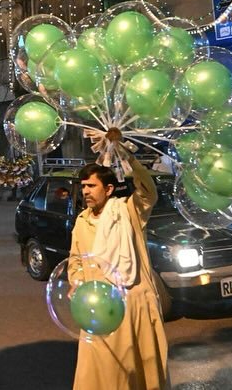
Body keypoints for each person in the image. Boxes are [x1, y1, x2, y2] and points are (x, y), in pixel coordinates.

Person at [69, 161, 168, 390]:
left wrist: (128, 159)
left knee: (138, 369)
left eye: (92, 186)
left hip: (132, 303)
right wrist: (76, 281)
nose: (86, 191)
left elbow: (148, 192)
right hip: (97, 307)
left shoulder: (128, 211)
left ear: (109, 189)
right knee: (99, 371)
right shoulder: (82, 221)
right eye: (83, 186)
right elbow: (76, 260)